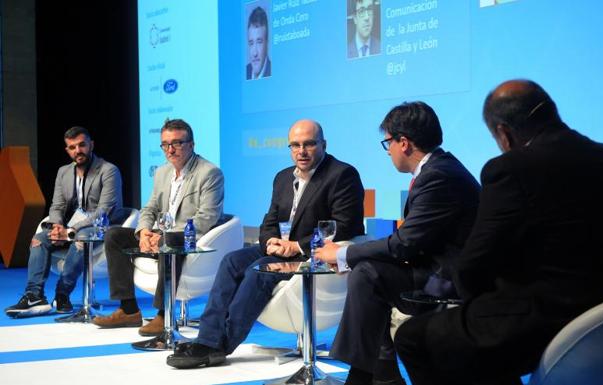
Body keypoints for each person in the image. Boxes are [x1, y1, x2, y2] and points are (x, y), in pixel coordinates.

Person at [394, 80, 603, 385]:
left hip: (547, 319)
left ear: (504, 133)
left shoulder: (510, 168)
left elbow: (475, 266)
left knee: (413, 337)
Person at [166, 119, 365, 369]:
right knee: (231, 261)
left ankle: (220, 346)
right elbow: (270, 219)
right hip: (281, 251)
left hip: (312, 255)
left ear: (323, 144)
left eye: (309, 144)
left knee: (257, 270)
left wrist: (297, 246)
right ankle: (207, 338)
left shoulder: (342, 174)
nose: (301, 151)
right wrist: (269, 241)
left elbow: (345, 225)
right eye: (295, 145)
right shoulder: (283, 177)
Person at [314, 102, 481, 385]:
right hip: (433, 268)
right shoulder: (437, 169)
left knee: (367, 274)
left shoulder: (439, 175)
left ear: (404, 143)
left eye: (388, 143)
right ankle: (380, 374)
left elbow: (406, 243)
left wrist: (343, 253)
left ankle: (366, 376)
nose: (388, 151)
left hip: (449, 279)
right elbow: (413, 242)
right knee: (368, 271)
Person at [92, 119, 225, 337]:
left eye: (177, 143)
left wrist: (162, 235)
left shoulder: (209, 173)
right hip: (160, 235)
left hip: (188, 239)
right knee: (114, 235)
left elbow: (207, 218)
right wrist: (144, 232)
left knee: (170, 241)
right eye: (165, 144)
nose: (170, 149)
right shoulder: (162, 172)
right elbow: (150, 208)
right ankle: (128, 309)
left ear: (191, 144)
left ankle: (164, 314)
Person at [5, 126, 124, 317]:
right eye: (72, 147)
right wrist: (57, 227)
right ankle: (34, 295)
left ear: (91, 145)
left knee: (81, 239)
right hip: (69, 226)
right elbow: (57, 205)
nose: (78, 150)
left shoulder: (108, 170)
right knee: (38, 239)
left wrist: (69, 230)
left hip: (102, 227)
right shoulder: (64, 172)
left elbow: (104, 211)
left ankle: (62, 294)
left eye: (82, 145)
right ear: (67, 150)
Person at [246, 6, 271, 80]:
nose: (255, 53)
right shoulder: (244, 71)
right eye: (251, 43)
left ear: (267, 44)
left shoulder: (273, 70)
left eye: (259, 42)